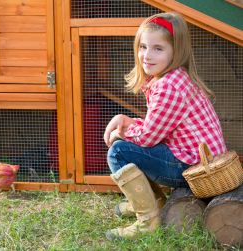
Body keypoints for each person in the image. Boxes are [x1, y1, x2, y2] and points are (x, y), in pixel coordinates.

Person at [103, 12, 227, 241]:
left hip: (195, 169)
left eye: (158, 48)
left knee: (119, 150)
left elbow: (149, 138)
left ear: (175, 52)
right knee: (129, 145)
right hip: (196, 160)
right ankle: (155, 203)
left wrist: (123, 131)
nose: (146, 56)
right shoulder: (174, 78)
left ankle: (148, 221)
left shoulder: (169, 86)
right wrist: (129, 121)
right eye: (142, 46)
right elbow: (159, 128)